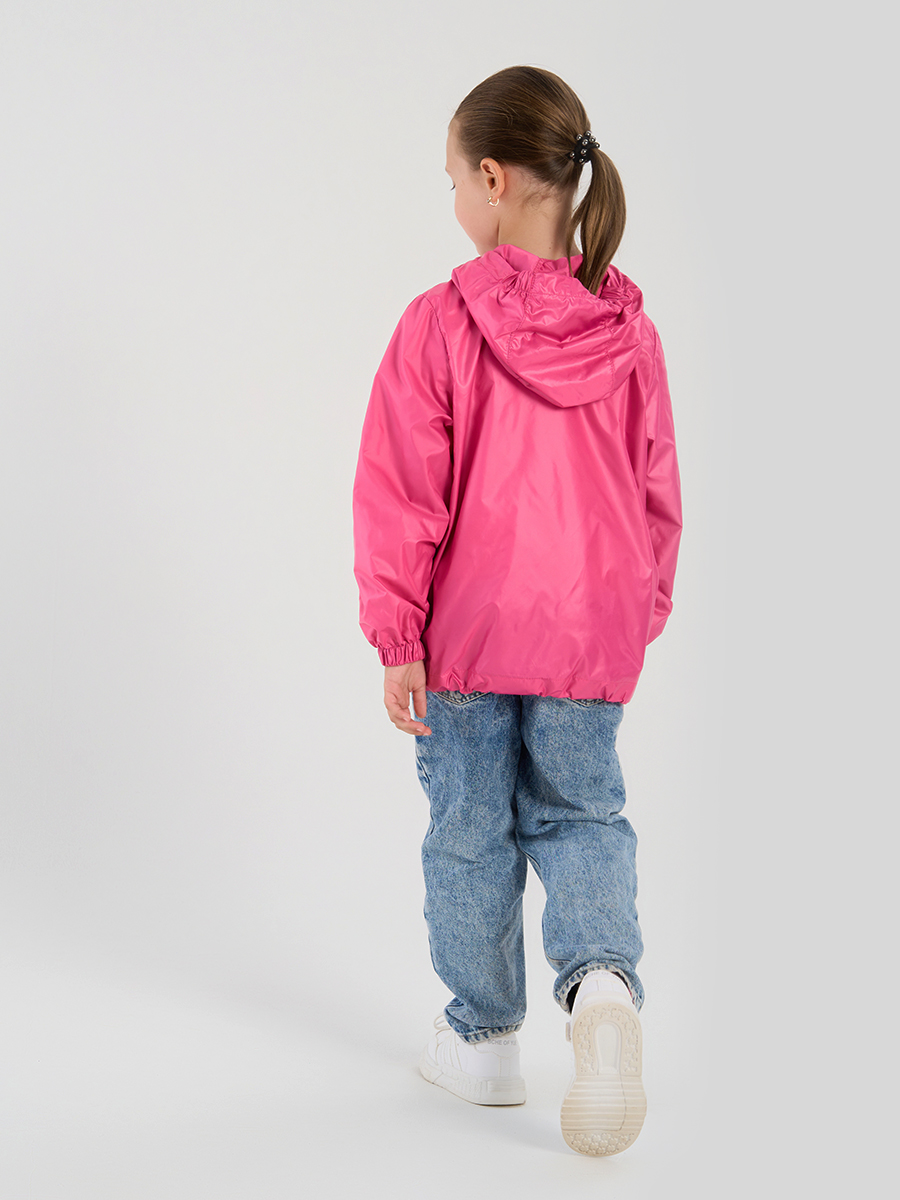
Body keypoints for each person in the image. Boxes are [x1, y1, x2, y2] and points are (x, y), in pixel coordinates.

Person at [351, 64, 682, 1157]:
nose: (453, 198)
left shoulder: (440, 323)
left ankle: (485, 1042)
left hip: (467, 636)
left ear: (492, 179)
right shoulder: (629, 334)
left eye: (453, 179)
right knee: (582, 817)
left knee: (469, 831)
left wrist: (398, 635)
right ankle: (603, 991)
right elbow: (656, 493)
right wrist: (635, 614)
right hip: (590, 634)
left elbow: (403, 490)